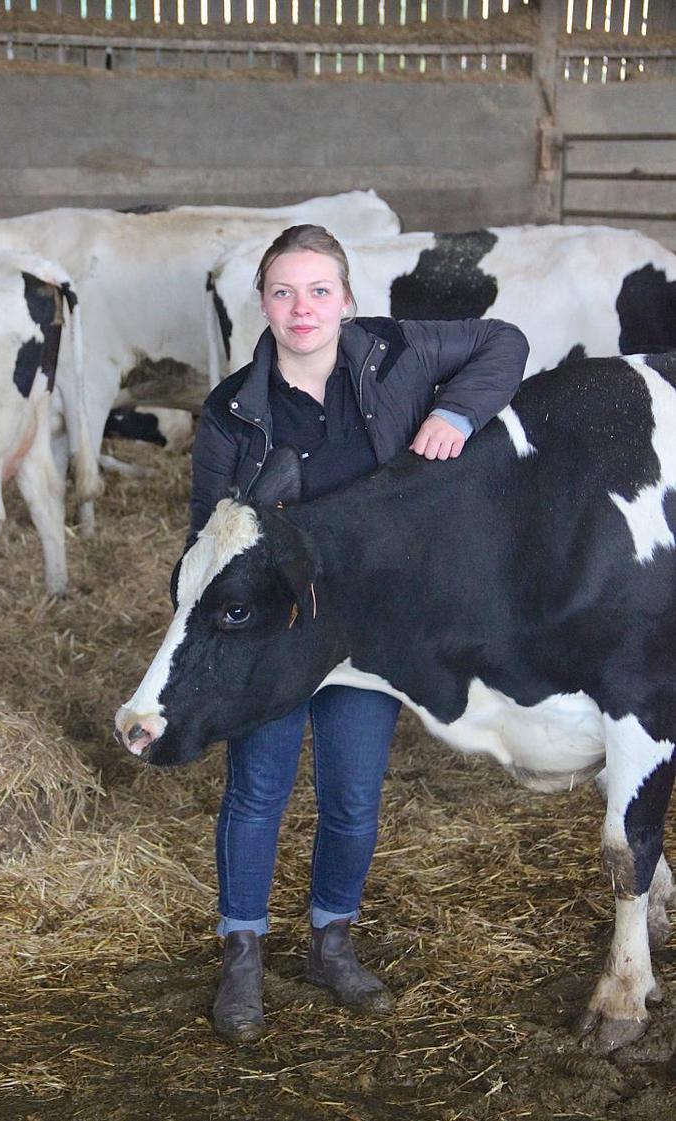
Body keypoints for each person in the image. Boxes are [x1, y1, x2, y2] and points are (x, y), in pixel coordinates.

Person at [188, 224, 529, 1043]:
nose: (300, 308)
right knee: (258, 791)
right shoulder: (231, 409)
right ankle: (241, 956)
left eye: (317, 290)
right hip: (277, 631)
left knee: (351, 796)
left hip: (368, 631)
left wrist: (454, 411)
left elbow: (503, 341)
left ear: (346, 298)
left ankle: (329, 943)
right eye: (282, 291)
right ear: (262, 302)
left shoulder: (391, 352)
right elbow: (207, 535)